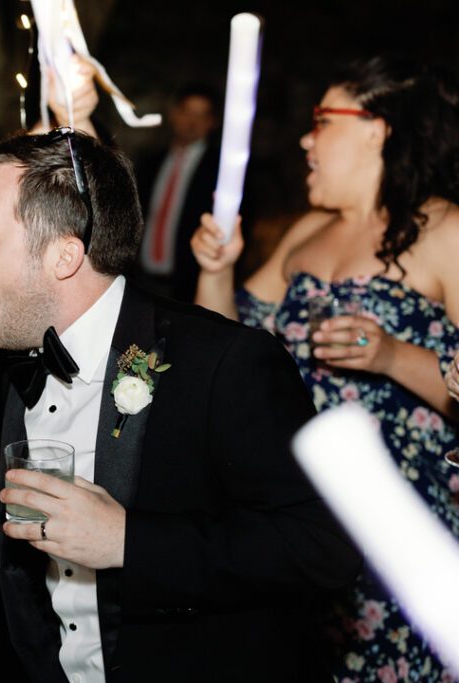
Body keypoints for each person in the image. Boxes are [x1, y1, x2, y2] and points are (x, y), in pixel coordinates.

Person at [0, 128, 361, 682]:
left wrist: (127, 543)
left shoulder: (223, 363)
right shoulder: (12, 363)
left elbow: (329, 546)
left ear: (64, 256)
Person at [191, 56, 459, 681]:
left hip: (404, 518)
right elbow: (225, 346)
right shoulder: (308, 232)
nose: (307, 140)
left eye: (322, 122)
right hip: (300, 517)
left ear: (377, 128)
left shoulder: (445, 228)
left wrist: (392, 356)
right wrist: (217, 267)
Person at [134, 83, 220, 302]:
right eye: (187, 112)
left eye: (201, 115)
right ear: (174, 114)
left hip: (188, 287)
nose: (192, 122)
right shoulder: (151, 163)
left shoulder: (219, 171)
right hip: (140, 280)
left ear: (212, 122)